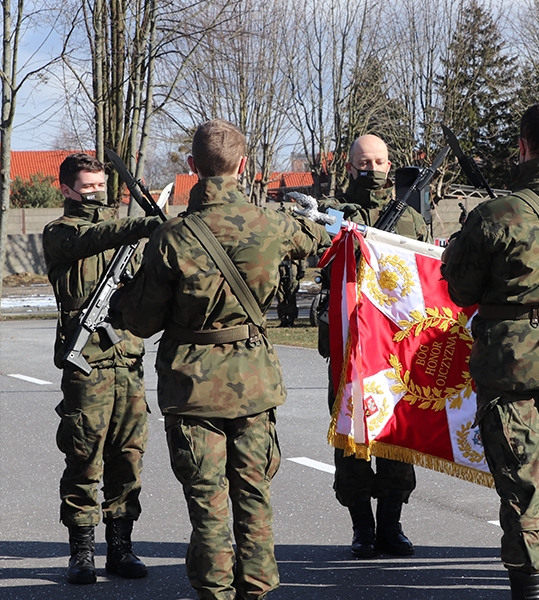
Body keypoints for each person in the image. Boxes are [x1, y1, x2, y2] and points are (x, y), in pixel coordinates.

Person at [116, 119, 329, 599]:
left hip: (192, 389)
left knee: (207, 505)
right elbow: (319, 240)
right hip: (253, 385)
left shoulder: (172, 237)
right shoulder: (272, 224)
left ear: (192, 168)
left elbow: (139, 319)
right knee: (254, 498)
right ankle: (257, 590)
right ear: (244, 165)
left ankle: (215, 593)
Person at [441, 102, 539, 600]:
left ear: (523, 147)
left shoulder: (494, 215)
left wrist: (457, 247)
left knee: (519, 478)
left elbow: (461, 290)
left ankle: (528, 585)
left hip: (509, 359)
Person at [42, 153, 160, 585]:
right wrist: (141, 224)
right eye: (87, 187)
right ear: (67, 190)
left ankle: (121, 546)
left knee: (128, 457)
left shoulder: (129, 239)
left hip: (128, 360)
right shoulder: (60, 233)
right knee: (83, 457)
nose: (94, 194)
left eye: (99, 187)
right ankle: (82, 551)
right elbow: (93, 237)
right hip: (86, 364)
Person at [317, 134, 430, 559]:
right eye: (364, 162)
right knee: (352, 438)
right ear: (349, 167)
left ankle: (392, 525)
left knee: (397, 437)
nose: (373, 169)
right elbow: (321, 261)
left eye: (380, 161)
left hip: (395, 348)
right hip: (347, 347)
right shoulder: (333, 215)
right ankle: (362, 527)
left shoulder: (409, 218)